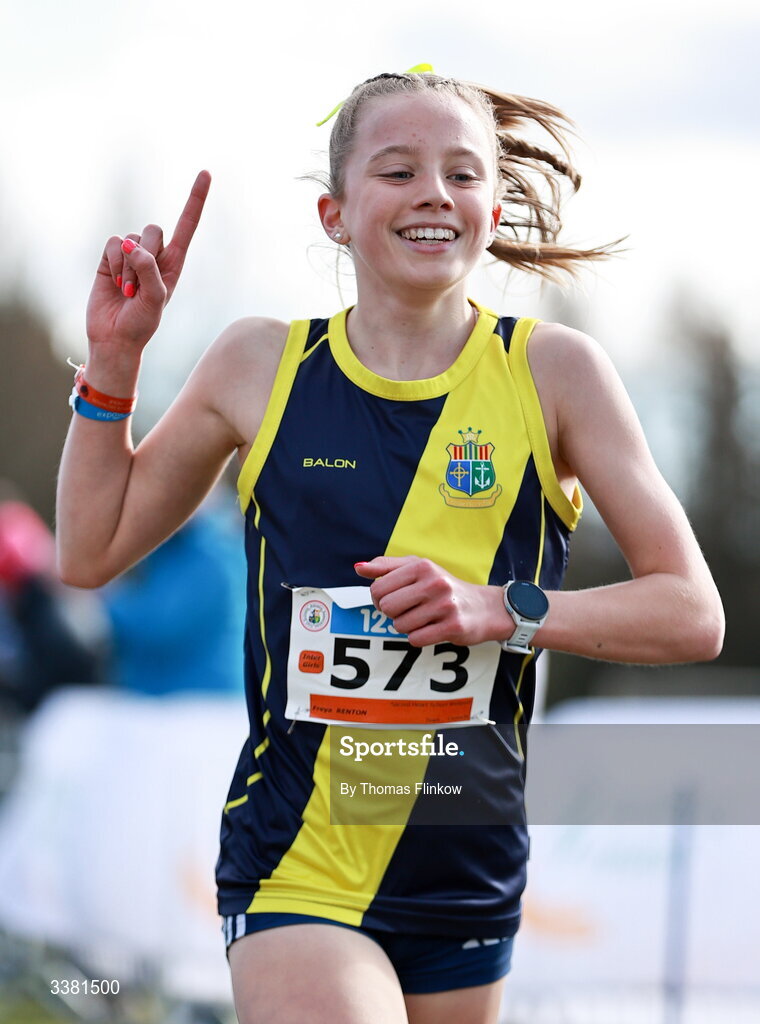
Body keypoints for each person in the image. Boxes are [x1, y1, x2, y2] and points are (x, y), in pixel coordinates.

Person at [56, 71, 724, 1024]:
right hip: (299, 859)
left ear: (493, 208)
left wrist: (505, 609)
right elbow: (88, 553)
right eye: (398, 170)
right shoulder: (259, 363)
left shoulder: (555, 372)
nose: (434, 194)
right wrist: (115, 370)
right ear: (335, 213)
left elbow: (693, 611)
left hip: (466, 860)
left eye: (462, 174)